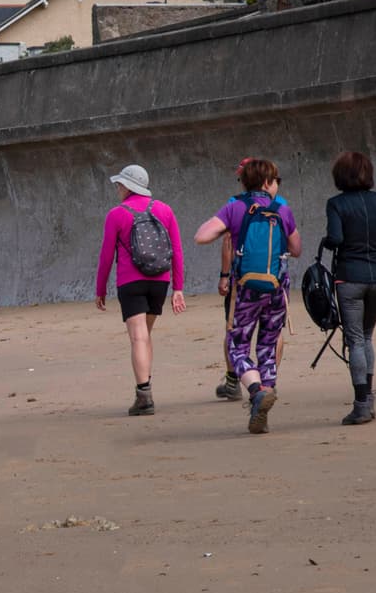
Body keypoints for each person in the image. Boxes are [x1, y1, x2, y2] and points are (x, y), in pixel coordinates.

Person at [194, 159, 302, 434]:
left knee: (237, 344)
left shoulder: (235, 206)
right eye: (276, 180)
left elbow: (201, 236)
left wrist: (228, 228)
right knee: (268, 344)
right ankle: (266, 392)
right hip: (277, 288)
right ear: (267, 182)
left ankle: (255, 391)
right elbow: (297, 249)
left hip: (245, 289)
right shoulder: (282, 210)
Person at [94, 164, 186, 416]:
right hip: (160, 281)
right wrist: (178, 288)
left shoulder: (116, 214)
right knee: (145, 335)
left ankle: (144, 394)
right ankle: (146, 383)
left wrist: (100, 289)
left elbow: (105, 256)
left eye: (119, 185)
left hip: (130, 282)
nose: (117, 189)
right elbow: (176, 251)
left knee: (137, 337)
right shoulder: (165, 209)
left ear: (127, 186)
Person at [322, 151, 376, 425]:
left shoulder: (336, 204)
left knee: (355, 340)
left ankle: (361, 403)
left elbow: (336, 238)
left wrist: (328, 241)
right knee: (367, 336)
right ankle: (369, 400)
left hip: (350, 276)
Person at [214, 158, 287, 403]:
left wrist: (224, 275)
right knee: (273, 332)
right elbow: (293, 246)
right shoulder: (281, 206)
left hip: (243, 281)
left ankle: (236, 380)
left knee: (236, 332)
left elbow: (227, 243)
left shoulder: (235, 204)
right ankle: (268, 382)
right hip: (275, 281)